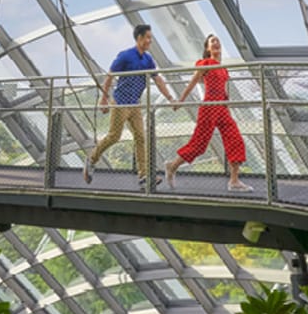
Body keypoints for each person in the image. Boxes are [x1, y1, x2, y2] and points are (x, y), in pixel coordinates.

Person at [84, 23, 175, 185]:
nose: (150, 41)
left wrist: (170, 97)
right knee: (114, 136)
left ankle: (144, 175)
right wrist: (104, 99)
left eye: (150, 38)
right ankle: (91, 160)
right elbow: (110, 76)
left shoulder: (148, 59)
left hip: (135, 104)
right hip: (120, 103)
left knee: (140, 137)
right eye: (148, 37)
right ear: (139, 38)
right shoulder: (125, 56)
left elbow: (158, 79)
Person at [164, 33, 251, 192]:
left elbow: (225, 91)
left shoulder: (224, 69)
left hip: (222, 108)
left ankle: (234, 180)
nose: (216, 43)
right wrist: (181, 101)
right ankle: (172, 166)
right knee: (199, 145)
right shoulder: (205, 63)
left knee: (236, 140)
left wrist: (228, 110)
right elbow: (192, 83)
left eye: (218, 40)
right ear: (207, 48)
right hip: (209, 106)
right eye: (212, 42)